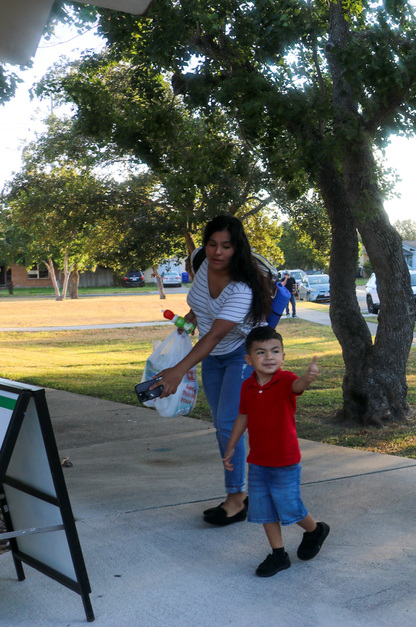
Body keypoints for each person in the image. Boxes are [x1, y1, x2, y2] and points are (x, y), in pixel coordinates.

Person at [151, 214, 273, 526]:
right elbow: (203, 306)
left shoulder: (242, 289)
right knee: (222, 423)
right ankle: (242, 493)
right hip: (214, 355)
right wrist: (192, 316)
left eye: (226, 246)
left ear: (238, 249)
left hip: (242, 355)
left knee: (228, 425)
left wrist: (178, 370)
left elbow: (217, 333)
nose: (217, 252)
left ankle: (237, 498)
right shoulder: (203, 263)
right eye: (212, 244)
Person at [222, 326, 329, 577]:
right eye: (261, 352)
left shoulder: (287, 380)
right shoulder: (247, 387)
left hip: (285, 460)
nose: (269, 357)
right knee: (263, 508)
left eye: (275, 351)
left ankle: (315, 530)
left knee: (289, 506)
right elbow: (242, 416)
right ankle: (278, 554)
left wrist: (308, 377)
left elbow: (298, 385)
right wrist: (231, 446)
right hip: (258, 461)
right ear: (249, 360)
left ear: (283, 356)